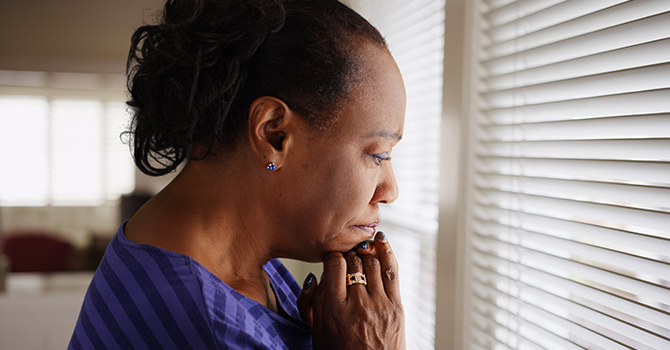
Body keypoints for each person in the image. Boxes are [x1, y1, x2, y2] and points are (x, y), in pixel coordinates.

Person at [69, 0, 406, 348]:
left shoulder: (209, 252)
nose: (390, 190)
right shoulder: (213, 328)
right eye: (378, 154)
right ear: (274, 134)